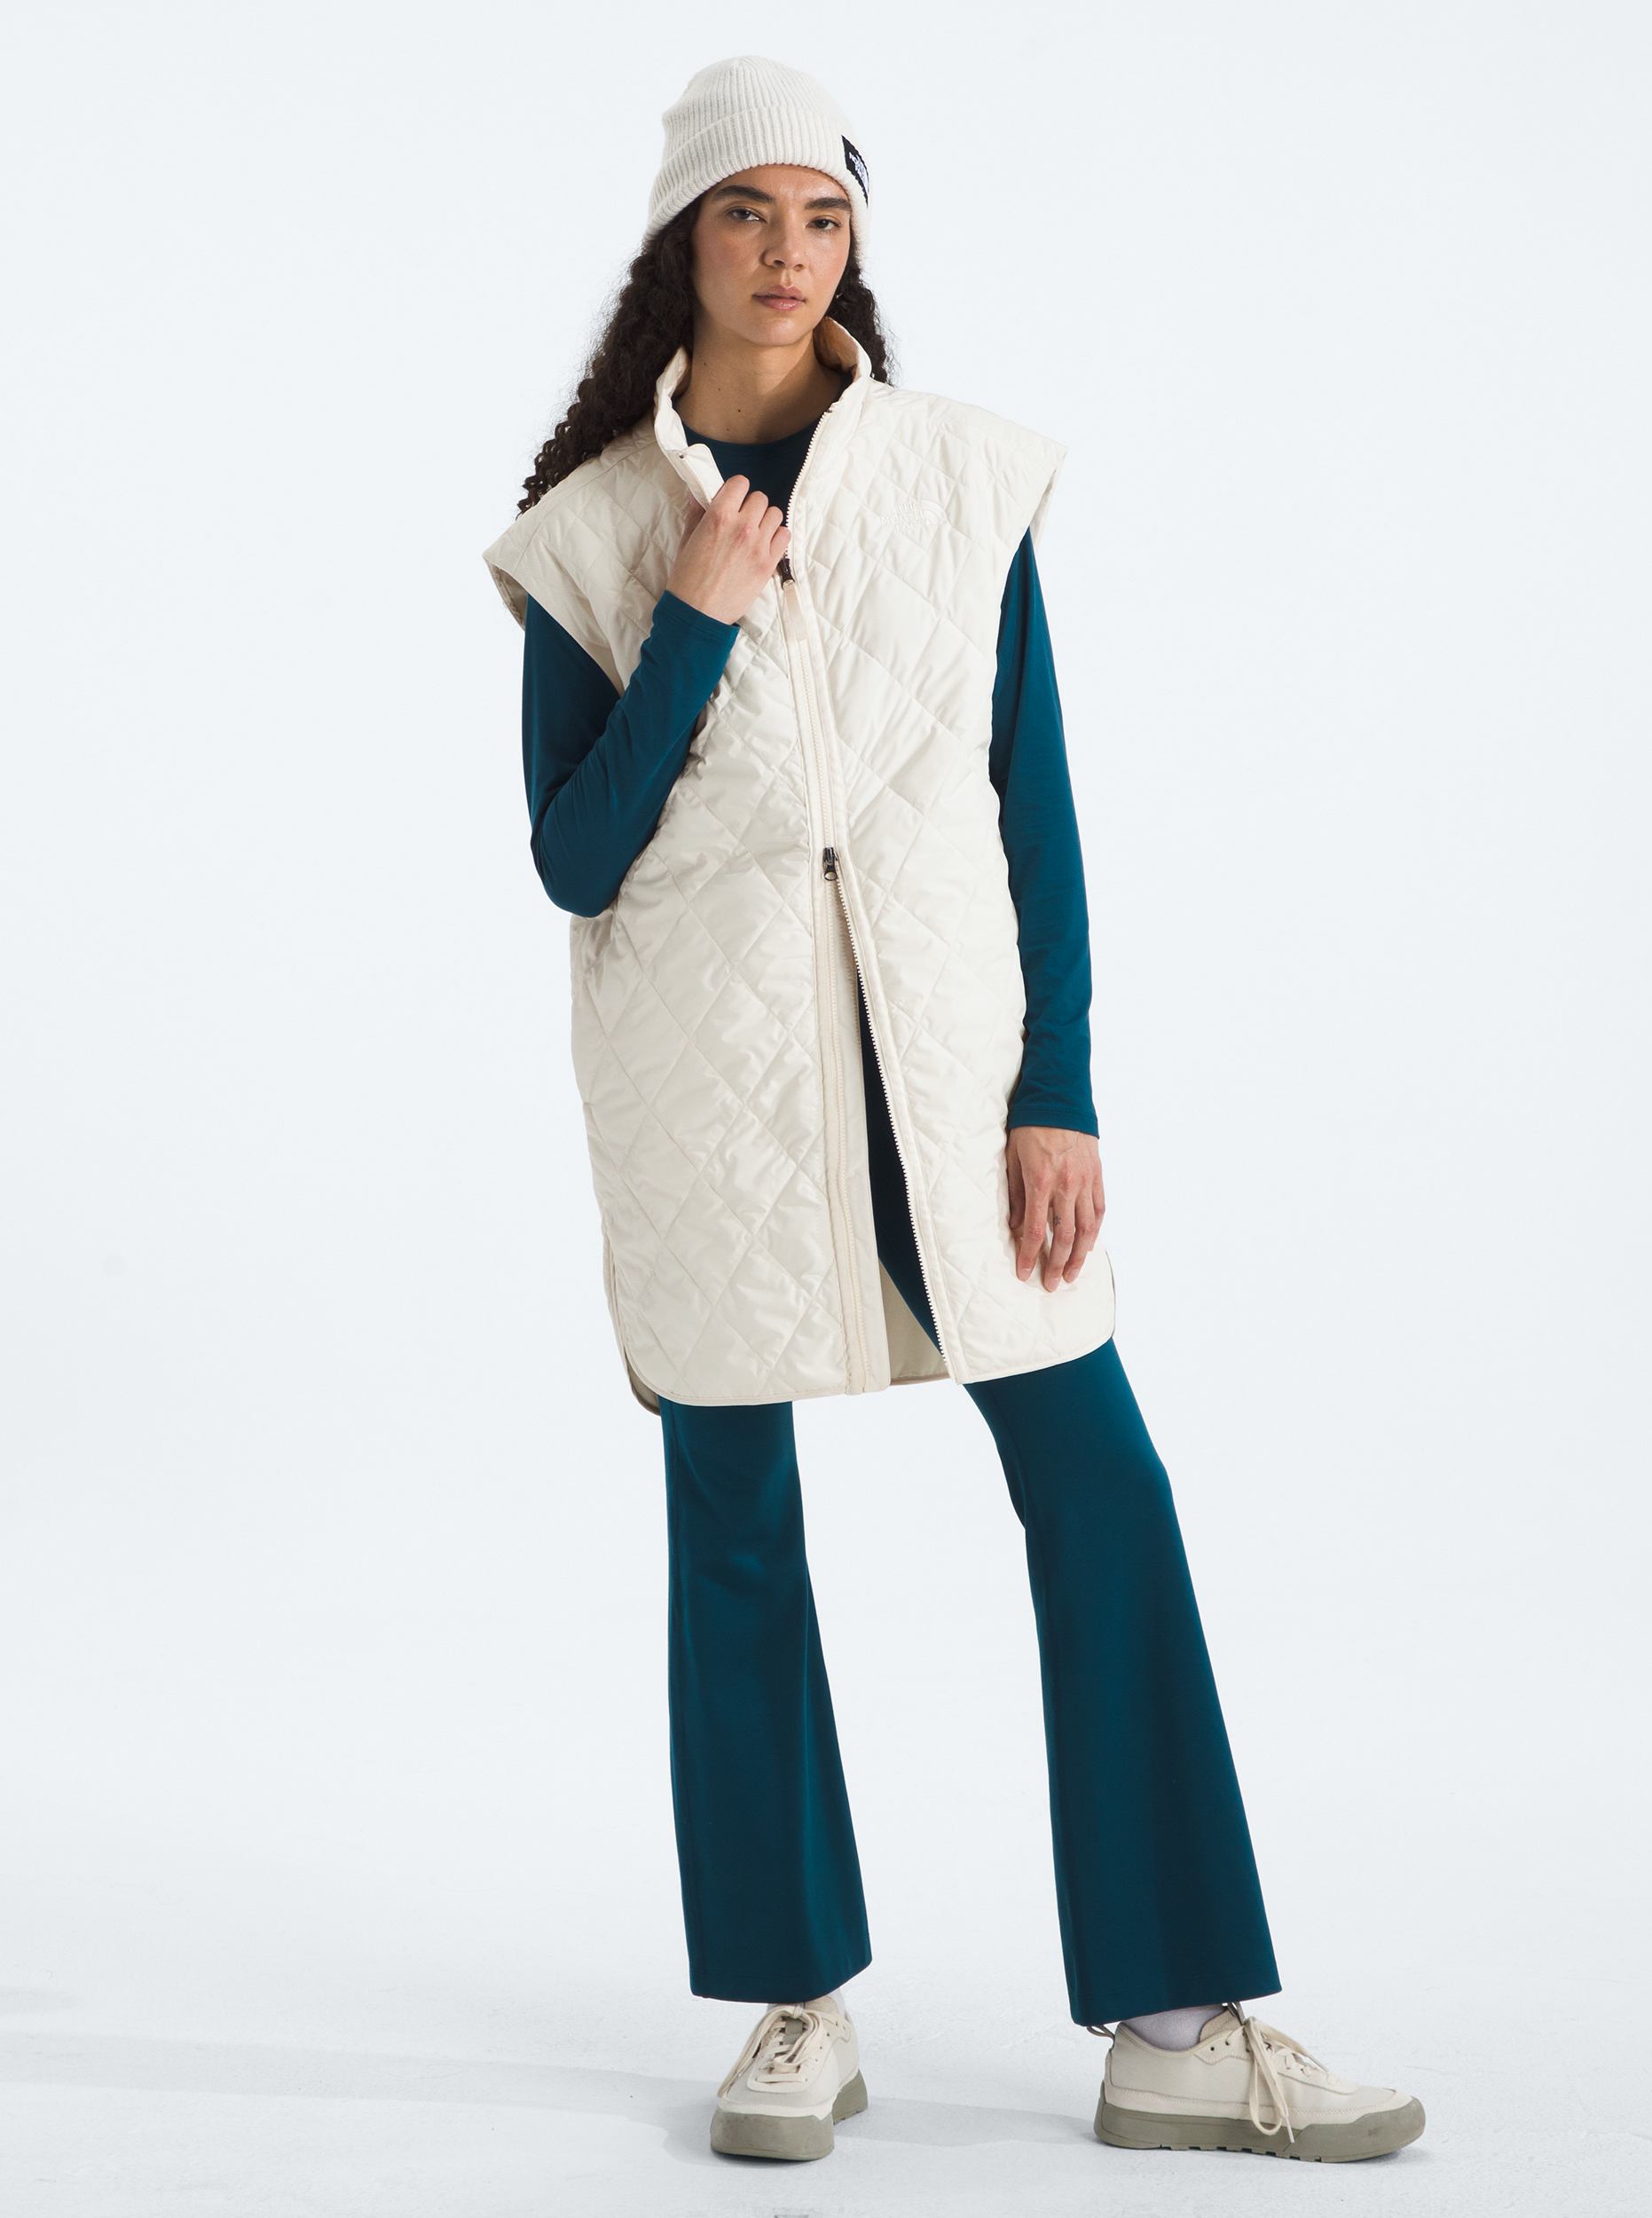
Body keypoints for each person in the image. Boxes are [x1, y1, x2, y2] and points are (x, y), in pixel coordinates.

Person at [484, 53, 1424, 2167]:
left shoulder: (952, 481)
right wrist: (696, 623)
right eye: (747, 215)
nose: (787, 253)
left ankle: (1178, 2018)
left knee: (1100, 1479)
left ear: (854, 243)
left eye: (822, 216)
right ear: (682, 244)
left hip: (954, 1076)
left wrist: (1057, 1084)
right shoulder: (595, 535)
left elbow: (1037, 804)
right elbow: (571, 855)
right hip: (708, 1094)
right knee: (734, 1523)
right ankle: (791, 2002)